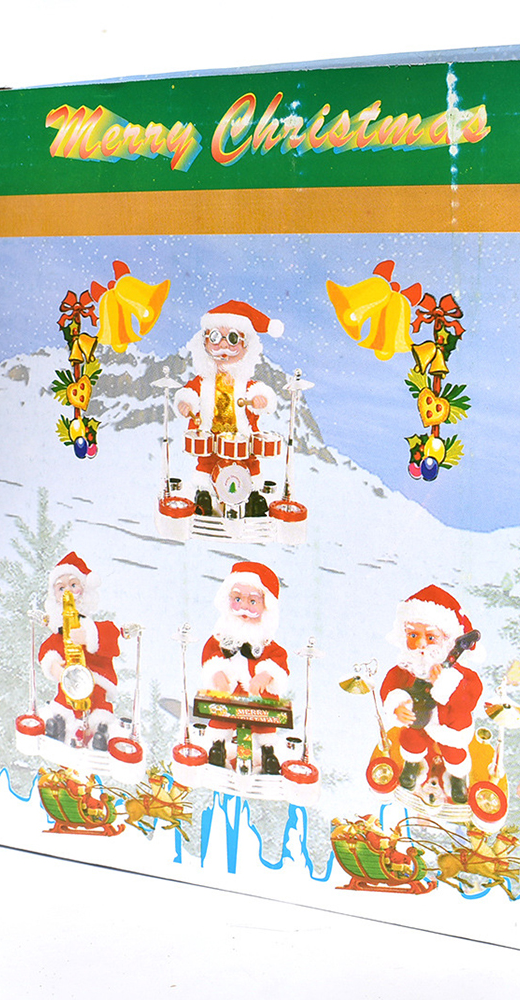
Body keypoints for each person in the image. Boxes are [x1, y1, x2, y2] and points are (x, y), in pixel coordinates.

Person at [174, 299, 281, 515]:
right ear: (204, 343)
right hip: (211, 439)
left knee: (249, 465)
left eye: (232, 339)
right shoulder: (204, 381)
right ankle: (204, 497)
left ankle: (253, 498)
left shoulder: (245, 383)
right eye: (215, 338)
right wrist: (185, 402)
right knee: (206, 466)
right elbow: (190, 392)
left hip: (243, 439)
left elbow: (258, 392)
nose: (223, 346)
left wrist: (261, 399)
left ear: (246, 346)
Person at [379, 585, 483, 805]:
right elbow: (390, 686)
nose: (420, 644)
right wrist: (397, 705)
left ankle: (457, 777)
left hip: (449, 727)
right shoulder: (406, 669)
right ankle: (412, 764)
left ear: (447, 639)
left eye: (430, 637)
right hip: (417, 720)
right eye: (413, 635)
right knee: (410, 740)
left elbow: (470, 697)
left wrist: (447, 684)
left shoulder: (459, 675)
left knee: (454, 752)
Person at [198, 561, 289, 771]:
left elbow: (278, 660)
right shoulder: (221, 637)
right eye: (237, 599)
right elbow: (210, 655)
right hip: (230, 690)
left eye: (253, 601)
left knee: (265, 714)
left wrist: (266, 675)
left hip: (257, 695)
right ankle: (218, 745)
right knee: (220, 709)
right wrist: (217, 672)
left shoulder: (265, 642)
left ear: (266, 605)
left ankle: (267, 751)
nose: (244, 608)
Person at [38, 552, 121, 749]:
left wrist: (89, 636)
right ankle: (58, 727)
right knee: (62, 706)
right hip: (69, 684)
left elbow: (112, 636)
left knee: (99, 710)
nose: (67, 591)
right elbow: (46, 651)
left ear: (84, 590)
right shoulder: (59, 634)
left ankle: (99, 734)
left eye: (73, 585)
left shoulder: (96, 627)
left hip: (96, 683)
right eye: (61, 588)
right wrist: (53, 666)